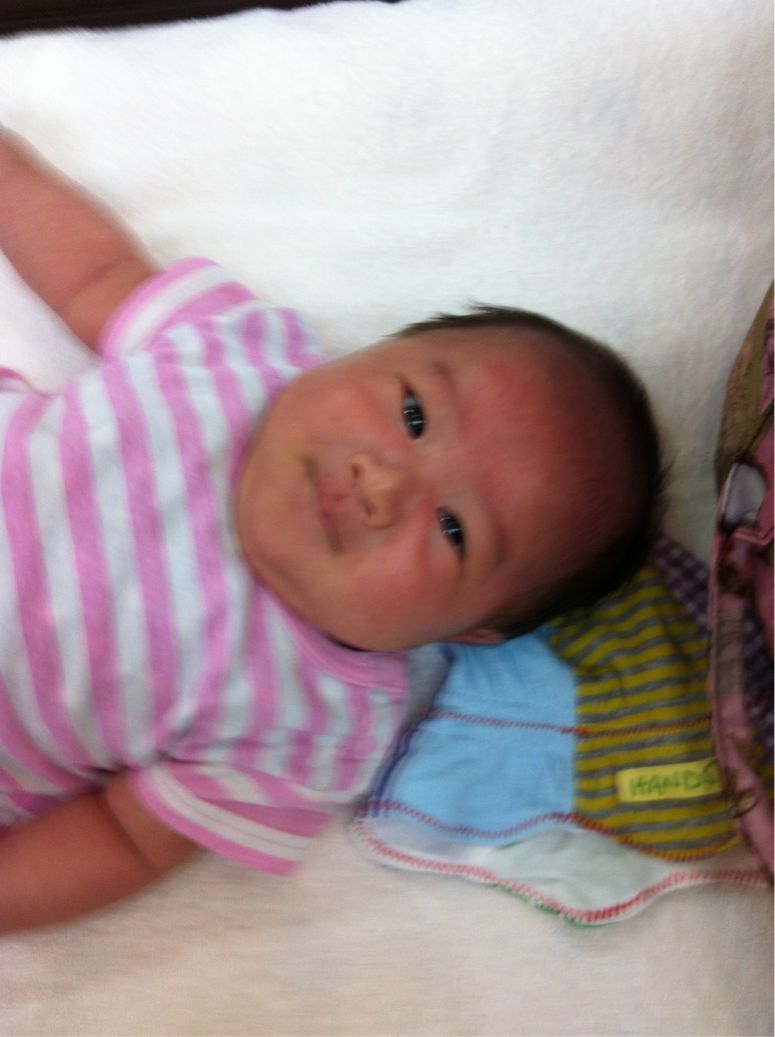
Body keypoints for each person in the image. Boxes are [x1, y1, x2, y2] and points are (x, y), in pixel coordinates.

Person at [0, 129, 662, 932]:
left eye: (453, 529)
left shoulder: (308, 728)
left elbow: (122, 837)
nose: (381, 484)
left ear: (471, 629)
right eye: (412, 414)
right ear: (371, 353)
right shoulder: (231, 352)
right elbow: (93, 274)